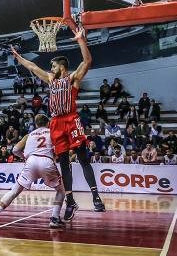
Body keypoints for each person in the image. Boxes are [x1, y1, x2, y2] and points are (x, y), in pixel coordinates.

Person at [11, 27, 106, 220]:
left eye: (53, 66)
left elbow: (87, 61)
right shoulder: (49, 80)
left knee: (82, 158)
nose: (50, 69)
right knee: (63, 162)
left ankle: (96, 196)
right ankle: (70, 201)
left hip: (71, 119)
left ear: (61, 67)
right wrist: (18, 57)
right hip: (55, 122)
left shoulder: (72, 79)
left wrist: (80, 40)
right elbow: (32, 67)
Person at [0, 115, 65, 228]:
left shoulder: (29, 135)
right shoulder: (52, 132)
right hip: (46, 161)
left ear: (36, 124)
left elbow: (15, 150)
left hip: (31, 161)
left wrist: (24, 157)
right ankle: (55, 218)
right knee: (61, 191)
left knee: (15, 191)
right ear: (48, 123)